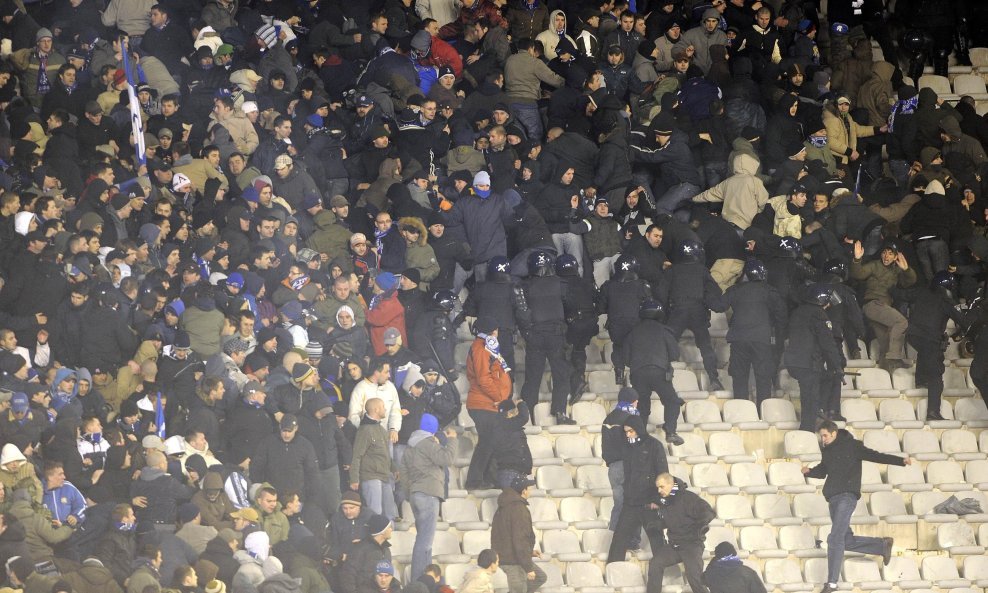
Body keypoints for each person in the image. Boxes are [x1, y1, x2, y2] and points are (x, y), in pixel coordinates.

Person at [803, 421, 910, 593]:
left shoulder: (853, 446)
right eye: (821, 436)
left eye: (825, 435)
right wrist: (810, 472)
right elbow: (824, 470)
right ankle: (881, 546)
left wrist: (901, 461)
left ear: (834, 433)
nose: (823, 439)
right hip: (833, 499)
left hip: (847, 497)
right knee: (845, 540)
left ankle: (831, 583)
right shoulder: (827, 450)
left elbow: (876, 456)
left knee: (834, 538)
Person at [515, 250, 576, 425]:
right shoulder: (561, 283)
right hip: (556, 335)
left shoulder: (524, 286)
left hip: (536, 335)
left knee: (532, 377)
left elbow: (521, 313)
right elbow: (569, 308)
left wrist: (527, 333)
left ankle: (527, 415)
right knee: (561, 375)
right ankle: (560, 413)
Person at [399, 414, 456, 580]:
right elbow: (447, 458)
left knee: (424, 539)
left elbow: (403, 472)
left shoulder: (410, 446)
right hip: (429, 494)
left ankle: (427, 579)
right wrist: (452, 440)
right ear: (433, 430)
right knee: (425, 542)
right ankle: (420, 582)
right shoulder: (428, 443)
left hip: (416, 494)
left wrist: (411, 493)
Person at [724, 259, 787, 407]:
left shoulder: (735, 290)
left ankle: (742, 412)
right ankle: (762, 413)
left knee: (739, 377)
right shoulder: (769, 291)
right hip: (761, 340)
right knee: (763, 378)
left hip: (738, 340)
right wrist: (779, 340)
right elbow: (781, 316)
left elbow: (719, 305)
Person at [850, 239, 917, 373]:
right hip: (873, 305)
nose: (886, 256)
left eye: (890, 254)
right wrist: (857, 260)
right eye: (884, 252)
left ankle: (886, 372)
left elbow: (910, 282)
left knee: (886, 344)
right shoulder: (874, 265)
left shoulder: (897, 271)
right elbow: (858, 273)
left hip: (882, 309)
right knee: (901, 321)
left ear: (896, 256)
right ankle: (895, 358)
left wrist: (907, 270)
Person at [906, 272, 966, 421]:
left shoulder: (922, 292)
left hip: (912, 335)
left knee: (925, 351)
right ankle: (933, 412)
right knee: (936, 375)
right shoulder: (946, 299)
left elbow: (902, 295)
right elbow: (962, 320)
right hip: (929, 338)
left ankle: (920, 380)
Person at [785, 284, 845, 432]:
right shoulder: (819, 314)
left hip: (794, 362)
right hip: (809, 363)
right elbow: (827, 343)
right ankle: (807, 431)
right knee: (810, 399)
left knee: (820, 384)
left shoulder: (797, 312)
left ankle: (817, 414)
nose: (828, 306)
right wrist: (837, 367)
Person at [644, 473, 715, 593]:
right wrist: (658, 525)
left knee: (695, 578)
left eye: (662, 487)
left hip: (691, 545)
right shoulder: (665, 501)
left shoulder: (688, 497)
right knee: (655, 563)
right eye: (658, 487)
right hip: (675, 545)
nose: (659, 490)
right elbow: (675, 520)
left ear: (671, 484)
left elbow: (708, 512)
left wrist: (698, 528)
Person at [623, 300, 683, 443]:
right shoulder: (664, 331)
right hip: (659, 373)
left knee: (642, 406)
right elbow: (675, 354)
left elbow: (626, 359)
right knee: (672, 401)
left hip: (638, 374)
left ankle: (640, 436)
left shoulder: (632, 333)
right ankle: (670, 431)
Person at [464, 318, 512, 490]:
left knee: (491, 441)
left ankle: (489, 478)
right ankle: (474, 480)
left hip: (489, 403)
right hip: (483, 403)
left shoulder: (488, 347)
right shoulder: (481, 348)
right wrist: (499, 396)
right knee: (487, 441)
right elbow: (484, 379)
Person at [490, 476, 545, 593]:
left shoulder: (506, 505)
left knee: (540, 577)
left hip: (510, 555)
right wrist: (528, 567)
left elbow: (511, 536)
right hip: (512, 560)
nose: (530, 491)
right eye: (529, 488)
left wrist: (529, 552)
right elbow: (520, 539)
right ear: (524, 490)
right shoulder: (518, 508)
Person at [349, 398, 398, 519]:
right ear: (376, 409)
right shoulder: (365, 430)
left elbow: (386, 454)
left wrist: (394, 468)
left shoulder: (381, 429)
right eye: (383, 406)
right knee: (375, 512)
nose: (385, 409)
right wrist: (354, 478)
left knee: (389, 512)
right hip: (371, 477)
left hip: (384, 476)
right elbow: (356, 456)